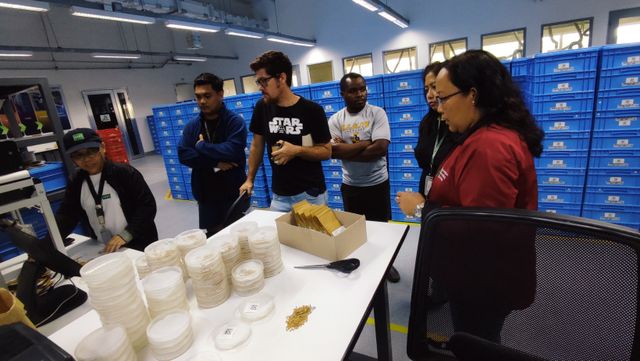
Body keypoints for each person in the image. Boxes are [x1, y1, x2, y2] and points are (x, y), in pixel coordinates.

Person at [426, 50, 544, 342]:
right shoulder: (481, 137)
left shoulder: (489, 147)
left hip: (482, 281)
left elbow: (482, 229)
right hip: (475, 275)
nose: (439, 108)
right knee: (478, 338)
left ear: (472, 95)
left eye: (443, 98)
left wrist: (423, 209)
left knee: (478, 342)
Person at [328, 72, 400, 282]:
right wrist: (364, 143)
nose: (360, 94)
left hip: (377, 183)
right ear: (342, 94)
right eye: (353, 91)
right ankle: (364, 264)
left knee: (381, 229)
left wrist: (347, 148)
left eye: (362, 89)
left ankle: (387, 265)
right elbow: (333, 152)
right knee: (356, 232)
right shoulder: (335, 120)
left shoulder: (377, 113)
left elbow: (380, 149)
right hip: (351, 185)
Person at [239, 51, 332, 211]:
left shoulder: (312, 110)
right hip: (280, 196)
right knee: (282, 237)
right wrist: (249, 179)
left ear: (281, 78)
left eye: (264, 81)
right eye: (258, 82)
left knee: (311, 237)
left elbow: (326, 151)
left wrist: (296, 150)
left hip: (310, 195)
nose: (260, 87)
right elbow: (256, 146)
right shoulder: (262, 108)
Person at [57, 128, 158, 253]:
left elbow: (147, 206)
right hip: (105, 248)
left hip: (138, 245)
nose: (87, 159)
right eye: (78, 155)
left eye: (92, 151)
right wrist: (47, 246)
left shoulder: (124, 173)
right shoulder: (76, 182)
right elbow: (67, 215)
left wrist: (126, 235)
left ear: (102, 147)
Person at [178, 73, 248, 236]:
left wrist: (201, 146)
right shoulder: (192, 126)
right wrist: (215, 163)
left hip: (232, 189)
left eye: (207, 96)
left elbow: (232, 150)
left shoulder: (234, 122)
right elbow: (183, 154)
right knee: (214, 236)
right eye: (198, 97)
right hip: (206, 192)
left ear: (220, 94)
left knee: (238, 235)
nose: (202, 101)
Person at [396, 61, 457, 218]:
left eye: (435, 87)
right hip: (428, 192)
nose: (430, 95)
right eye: (426, 89)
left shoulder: (458, 125)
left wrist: (420, 207)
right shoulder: (427, 123)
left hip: (448, 200)